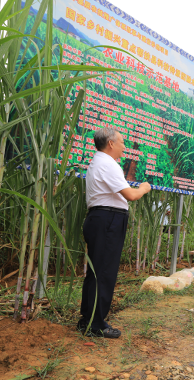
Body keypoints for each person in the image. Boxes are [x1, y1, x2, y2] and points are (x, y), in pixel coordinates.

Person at [79, 128, 151, 338]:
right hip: (108, 220)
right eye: (121, 142)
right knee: (104, 272)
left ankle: (88, 319)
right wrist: (144, 188)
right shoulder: (107, 164)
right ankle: (96, 324)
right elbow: (131, 195)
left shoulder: (99, 162)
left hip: (101, 219)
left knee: (97, 271)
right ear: (110, 143)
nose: (124, 146)